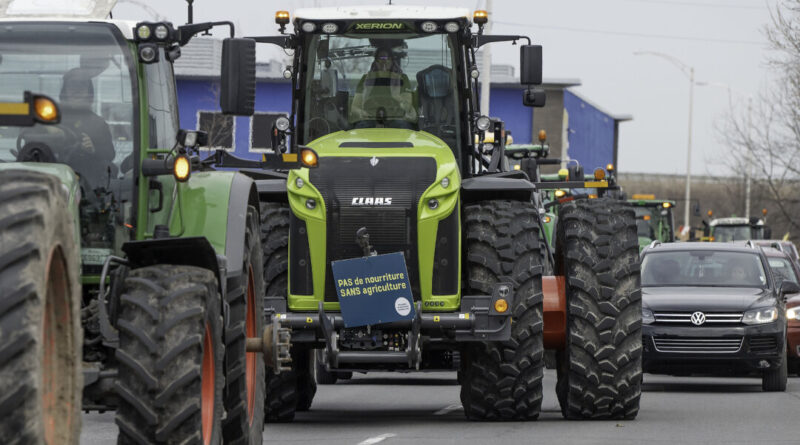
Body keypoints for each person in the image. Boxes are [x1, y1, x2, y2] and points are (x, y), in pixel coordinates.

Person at [58, 68, 115, 186]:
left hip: (88, 186)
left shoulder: (98, 123)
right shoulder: (51, 119)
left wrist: (93, 149)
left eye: (82, 87)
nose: (77, 91)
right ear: (65, 91)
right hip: (55, 180)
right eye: (72, 86)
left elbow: (110, 154)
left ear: (89, 92)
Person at [350, 47, 417, 128]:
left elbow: (407, 107)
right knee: (361, 128)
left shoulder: (402, 78)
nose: (384, 62)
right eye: (380, 59)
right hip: (369, 119)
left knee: (403, 126)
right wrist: (362, 113)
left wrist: (396, 96)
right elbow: (355, 106)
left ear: (392, 61)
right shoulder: (366, 78)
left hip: (396, 119)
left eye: (388, 59)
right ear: (375, 62)